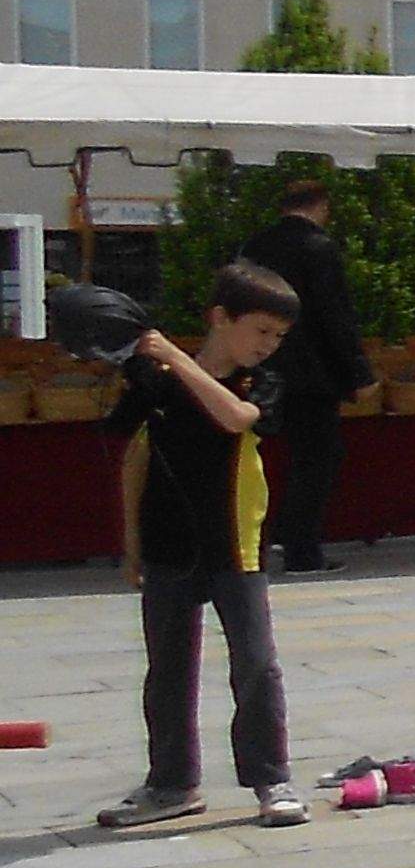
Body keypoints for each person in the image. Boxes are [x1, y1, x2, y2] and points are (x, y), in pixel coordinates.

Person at [97, 261, 306, 831]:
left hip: (235, 545)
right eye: (261, 331)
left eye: (278, 337)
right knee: (167, 668)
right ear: (221, 318)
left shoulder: (259, 383)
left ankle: (271, 778)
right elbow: (133, 455)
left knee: (256, 665)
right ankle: (172, 782)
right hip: (168, 543)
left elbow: (237, 418)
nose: (269, 345)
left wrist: (179, 361)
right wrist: (132, 544)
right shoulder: (156, 381)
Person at [237, 176, 364, 573]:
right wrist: (357, 372)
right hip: (311, 375)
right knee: (316, 460)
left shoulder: (254, 247)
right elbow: (334, 317)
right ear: (320, 206)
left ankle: (251, 544)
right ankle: (302, 551)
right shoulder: (318, 248)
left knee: (251, 457)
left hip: (258, 366)